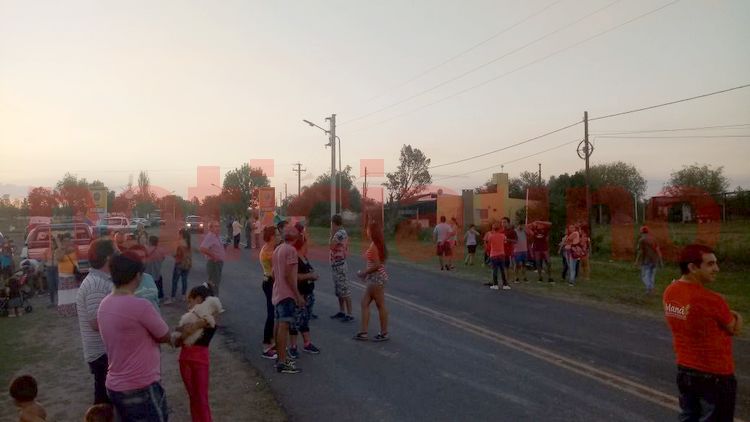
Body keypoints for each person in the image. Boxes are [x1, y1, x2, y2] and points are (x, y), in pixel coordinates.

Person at [663, 244, 743, 422]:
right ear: (692, 267)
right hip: (715, 375)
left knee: (689, 417)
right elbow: (734, 328)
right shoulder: (712, 300)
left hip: (685, 371)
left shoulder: (670, 292)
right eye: (710, 264)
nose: (717, 269)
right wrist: (737, 315)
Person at [97, 251, 172, 421]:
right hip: (141, 385)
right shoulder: (140, 306)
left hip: (115, 385)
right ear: (137, 276)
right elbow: (165, 335)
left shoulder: (104, 304)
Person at [75, 239, 116, 405]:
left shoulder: (101, 280)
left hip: (104, 350)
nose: (119, 256)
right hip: (101, 351)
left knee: (105, 395)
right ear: (107, 258)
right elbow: (95, 323)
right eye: (116, 253)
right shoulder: (96, 285)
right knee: (104, 398)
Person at [175, 285, 220, 422]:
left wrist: (187, 329)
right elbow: (177, 340)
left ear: (199, 300)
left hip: (194, 361)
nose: (188, 305)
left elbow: (180, 337)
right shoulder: (193, 319)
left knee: (199, 398)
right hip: (195, 361)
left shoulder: (208, 319)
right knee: (196, 398)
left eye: (190, 301)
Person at [272, 225, 304, 374]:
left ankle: (280, 358)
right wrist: (297, 295)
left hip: (277, 292)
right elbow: (289, 276)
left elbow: (274, 273)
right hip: (287, 294)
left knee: (278, 326)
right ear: (296, 238)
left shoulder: (278, 249)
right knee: (284, 327)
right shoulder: (291, 251)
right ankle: (283, 362)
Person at [287, 223, 321, 357]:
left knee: (305, 319)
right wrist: (309, 275)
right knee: (295, 321)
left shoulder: (304, 258)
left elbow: (308, 271)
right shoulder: (295, 258)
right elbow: (294, 276)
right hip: (299, 294)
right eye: (306, 245)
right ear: (301, 245)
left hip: (308, 293)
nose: (308, 247)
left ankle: (307, 343)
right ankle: (293, 346)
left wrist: (312, 275)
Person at [354, 220, 390, 341]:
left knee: (380, 305)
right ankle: (364, 332)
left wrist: (364, 272)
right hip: (377, 278)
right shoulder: (379, 244)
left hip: (375, 279)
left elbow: (377, 265)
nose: (367, 231)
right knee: (365, 303)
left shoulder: (374, 245)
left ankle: (384, 333)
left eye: (368, 229)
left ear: (372, 232)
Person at [329, 214, 354, 322]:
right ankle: (342, 311)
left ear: (334, 223)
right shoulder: (339, 233)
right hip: (336, 264)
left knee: (344, 289)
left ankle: (349, 313)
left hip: (340, 264)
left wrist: (332, 234)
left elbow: (331, 246)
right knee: (339, 289)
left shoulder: (339, 233)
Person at [259, 226, 278, 360]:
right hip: (269, 282)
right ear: (271, 236)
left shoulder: (270, 249)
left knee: (273, 313)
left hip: (270, 282)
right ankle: (266, 346)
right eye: (276, 234)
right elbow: (274, 270)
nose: (278, 236)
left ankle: (271, 342)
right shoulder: (268, 251)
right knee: (271, 314)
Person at [129, 245, 161, 311]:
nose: (139, 260)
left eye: (142, 257)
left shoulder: (149, 278)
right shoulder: (124, 282)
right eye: (136, 257)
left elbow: (156, 302)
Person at [56, 233, 80, 316]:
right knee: (65, 294)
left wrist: (63, 247)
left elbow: (76, 254)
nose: (67, 243)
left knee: (73, 293)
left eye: (68, 241)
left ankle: (74, 310)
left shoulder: (73, 249)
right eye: (65, 241)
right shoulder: (58, 250)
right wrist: (62, 248)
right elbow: (59, 258)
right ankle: (65, 311)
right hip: (63, 276)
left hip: (72, 275)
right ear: (62, 242)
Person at [200, 221, 226, 296]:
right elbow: (202, 248)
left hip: (218, 263)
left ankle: (212, 300)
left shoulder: (216, 236)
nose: (218, 228)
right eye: (215, 226)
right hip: (214, 263)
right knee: (214, 284)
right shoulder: (210, 236)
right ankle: (213, 300)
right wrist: (213, 256)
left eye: (218, 226)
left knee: (215, 282)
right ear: (210, 228)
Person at [635, 226, 662, 295]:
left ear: (641, 232)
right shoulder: (654, 239)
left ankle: (650, 288)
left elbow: (640, 252)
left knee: (644, 276)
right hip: (655, 260)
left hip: (646, 260)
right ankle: (650, 290)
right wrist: (660, 261)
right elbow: (658, 250)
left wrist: (637, 261)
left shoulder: (641, 240)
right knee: (651, 276)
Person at [167, 229, 192, 304]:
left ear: (181, 235)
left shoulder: (180, 243)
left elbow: (178, 255)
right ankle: (183, 296)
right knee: (184, 280)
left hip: (179, 264)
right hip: (187, 264)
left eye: (179, 234)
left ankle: (173, 297)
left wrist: (173, 255)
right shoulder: (188, 243)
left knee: (175, 281)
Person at [486, 223, 509, 290]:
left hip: (493, 255)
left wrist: (488, 251)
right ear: (499, 229)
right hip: (501, 254)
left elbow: (488, 245)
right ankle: (505, 285)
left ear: (493, 229)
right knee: (502, 270)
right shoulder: (503, 235)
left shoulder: (491, 236)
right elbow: (505, 242)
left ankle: (495, 284)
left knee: (495, 270)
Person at [145, 236, 166, 302]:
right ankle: (160, 297)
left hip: (148, 273)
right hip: (157, 272)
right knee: (159, 285)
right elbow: (163, 258)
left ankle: (151, 298)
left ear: (150, 242)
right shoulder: (160, 250)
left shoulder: (146, 250)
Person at [42, 233, 59, 308]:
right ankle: (52, 302)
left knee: (58, 285)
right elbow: (44, 261)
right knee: (51, 286)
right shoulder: (46, 251)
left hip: (57, 269)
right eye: (50, 243)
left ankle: (60, 302)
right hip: (49, 269)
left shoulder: (58, 251)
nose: (51, 245)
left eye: (53, 243)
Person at [501, 217, 517, 282]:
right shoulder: (500, 231)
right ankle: (505, 280)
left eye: (504, 222)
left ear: (508, 223)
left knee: (509, 266)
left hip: (509, 252)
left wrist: (507, 240)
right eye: (502, 222)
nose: (503, 224)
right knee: (504, 267)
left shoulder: (512, 231)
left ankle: (511, 279)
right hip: (501, 251)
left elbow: (516, 241)